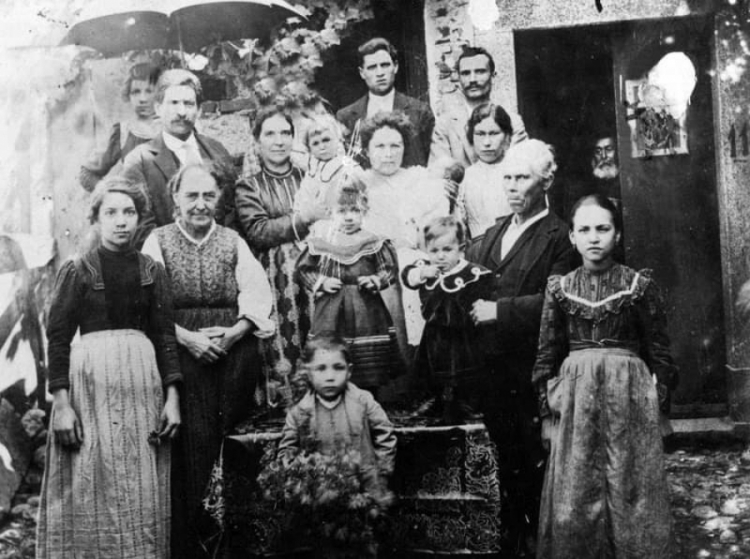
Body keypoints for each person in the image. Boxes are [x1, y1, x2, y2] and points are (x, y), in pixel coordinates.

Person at [37, 177, 181, 559]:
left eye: (129, 212)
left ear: (139, 218)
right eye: (111, 213)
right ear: (96, 219)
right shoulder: (78, 270)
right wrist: (62, 404)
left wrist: (172, 397)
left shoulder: (153, 271)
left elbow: (165, 336)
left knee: (140, 487)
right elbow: (57, 337)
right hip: (91, 392)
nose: (121, 221)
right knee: (90, 483)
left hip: (141, 389)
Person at [141, 164, 275, 558]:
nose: (200, 205)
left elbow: (257, 296)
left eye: (208, 196)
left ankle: (236, 542)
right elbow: (149, 305)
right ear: (176, 200)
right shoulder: (157, 240)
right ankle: (193, 545)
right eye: (191, 196)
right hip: (180, 352)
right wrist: (188, 340)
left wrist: (233, 334)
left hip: (232, 352)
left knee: (228, 440)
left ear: (218, 199)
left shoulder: (232, 241)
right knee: (192, 446)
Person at [532, 194, 677, 559]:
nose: (593, 237)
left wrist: (660, 408)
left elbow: (658, 349)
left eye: (603, 228)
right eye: (584, 229)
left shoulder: (638, 285)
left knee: (631, 479)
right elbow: (547, 353)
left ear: (618, 235)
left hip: (628, 391)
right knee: (577, 480)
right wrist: (546, 416)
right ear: (572, 238)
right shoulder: (559, 289)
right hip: (577, 393)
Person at [466, 139, 577, 557]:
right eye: (507, 177)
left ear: (546, 180)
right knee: (503, 458)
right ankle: (509, 536)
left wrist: (501, 311)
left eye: (522, 178)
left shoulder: (560, 237)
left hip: (530, 368)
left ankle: (535, 541)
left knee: (532, 458)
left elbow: (560, 299)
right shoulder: (493, 231)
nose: (512, 187)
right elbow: (466, 273)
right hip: (489, 368)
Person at [233, 108, 326, 391]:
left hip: (316, 267)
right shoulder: (248, 187)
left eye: (285, 133)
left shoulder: (310, 177)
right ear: (258, 141)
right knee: (284, 346)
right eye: (270, 133)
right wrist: (301, 219)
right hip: (277, 277)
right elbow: (259, 232)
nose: (279, 141)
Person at [357, 111, 450, 363]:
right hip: (374, 268)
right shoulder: (358, 184)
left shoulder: (420, 181)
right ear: (366, 149)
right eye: (380, 146)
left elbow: (435, 229)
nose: (388, 153)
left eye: (395, 145)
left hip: (416, 266)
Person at [297, 181, 400, 399]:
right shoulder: (322, 242)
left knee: (367, 358)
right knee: (330, 348)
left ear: (364, 212)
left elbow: (388, 269)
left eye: (355, 210)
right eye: (342, 211)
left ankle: (368, 398)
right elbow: (304, 269)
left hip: (366, 309)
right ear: (331, 213)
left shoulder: (372, 242)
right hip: (331, 309)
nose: (349, 217)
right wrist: (321, 282)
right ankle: (330, 396)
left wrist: (376, 280)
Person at [277, 336, 397, 507]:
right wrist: (299, 476)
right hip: (320, 492)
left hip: (364, 486)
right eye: (321, 369)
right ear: (309, 373)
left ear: (349, 371)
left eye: (338, 368)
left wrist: (381, 471)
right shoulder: (299, 412)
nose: (330, 377)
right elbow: (287, 452)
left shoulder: (363, 401)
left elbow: (385, 434)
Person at [122, 68, 236, 248]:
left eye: (189, 104)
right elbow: (141, 228)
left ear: (198, 110)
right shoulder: (139, 162)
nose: (181, 112)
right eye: (174, 103)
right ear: (158, 108)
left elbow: (232, 212)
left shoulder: (217, 150)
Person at [401, 216, 493, 424]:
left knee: (465, 368)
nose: (440, 257)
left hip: (462, 333)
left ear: (461, 249)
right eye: (434, 251)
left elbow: (485, 287)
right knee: (432, 368)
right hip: (434, 333)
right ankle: (435, 402)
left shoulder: (470, 272)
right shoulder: (427, 269)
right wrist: (422, 272)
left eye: (447, 250)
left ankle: (467, 403)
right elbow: (408, 276)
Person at [337, 37, 434, 167]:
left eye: (385, 65)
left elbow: (431, 160)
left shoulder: (420, 111)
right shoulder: (346, 116)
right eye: (372, 67)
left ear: (395, 67)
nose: (380, 73)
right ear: (362, 73)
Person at [429, 46, 526, 168]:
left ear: (493, 76)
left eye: (480, 71)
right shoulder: (445, 125)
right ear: (458, 79)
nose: (472, 79)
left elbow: (520, 171)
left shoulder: (513, 122)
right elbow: (439, 175)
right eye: (465, 73)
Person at [79, 62, 162, 192]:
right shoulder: (122, 131)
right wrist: (110, 193)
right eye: (135, 92)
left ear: (160, 94)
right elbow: (87, 174)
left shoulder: (175, 129)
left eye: (149, 91)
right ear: (128, 95)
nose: (142, 99)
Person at [293, 113, 361, 238]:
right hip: (312, 227)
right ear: (309, 148)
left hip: (341, 228)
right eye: (315, 143)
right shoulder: (312, 169)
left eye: (326, 140)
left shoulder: (347, 167)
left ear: (338, 139)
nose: (322, 147)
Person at [460, 103, 514, 238]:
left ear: (507, 137)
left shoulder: (520, 173)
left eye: (494, 133)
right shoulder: (466, 178)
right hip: (478, 253)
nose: (487, 142)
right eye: (480, 134)